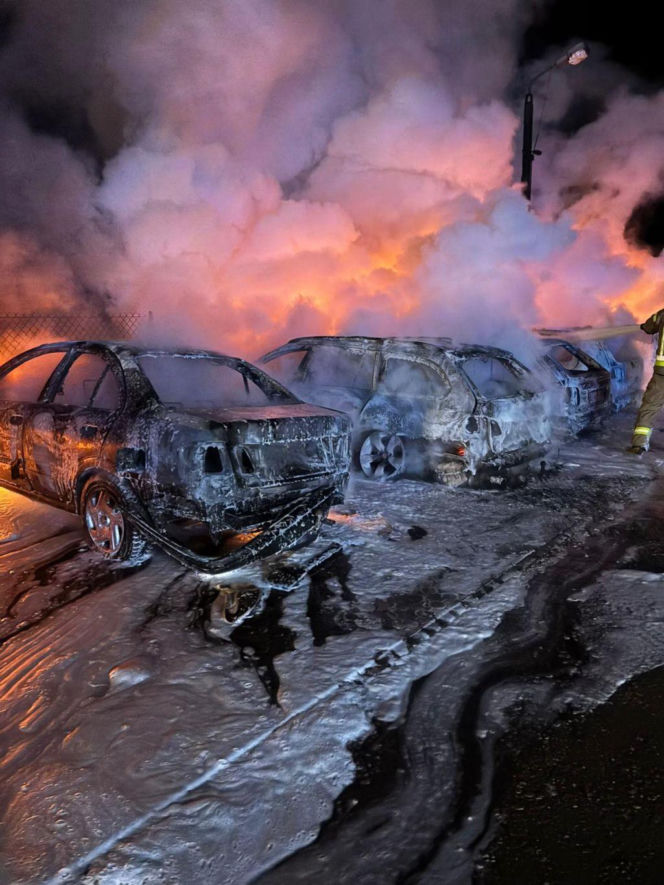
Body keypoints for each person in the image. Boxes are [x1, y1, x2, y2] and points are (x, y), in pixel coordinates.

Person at [628, 308, 664, 454]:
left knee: (650, 407)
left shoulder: (662, 314)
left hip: (662, 372)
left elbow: (649, 327)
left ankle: (639, 444)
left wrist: (644, 326)